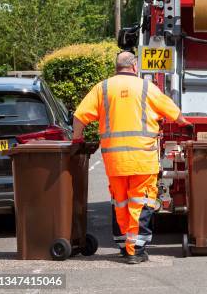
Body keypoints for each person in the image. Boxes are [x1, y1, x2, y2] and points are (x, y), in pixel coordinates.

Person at [72, 51, 192, 264]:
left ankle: (123, 245)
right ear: (135, 67)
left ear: (116, 67)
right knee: (140, 202)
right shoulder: (146, 88)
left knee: (121, 202)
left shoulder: (103, 88)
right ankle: (135, 250)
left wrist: (77, 139)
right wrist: (186, 122)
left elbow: (79, 116)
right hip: (142, 159)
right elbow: (175, 113)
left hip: (114, 161)